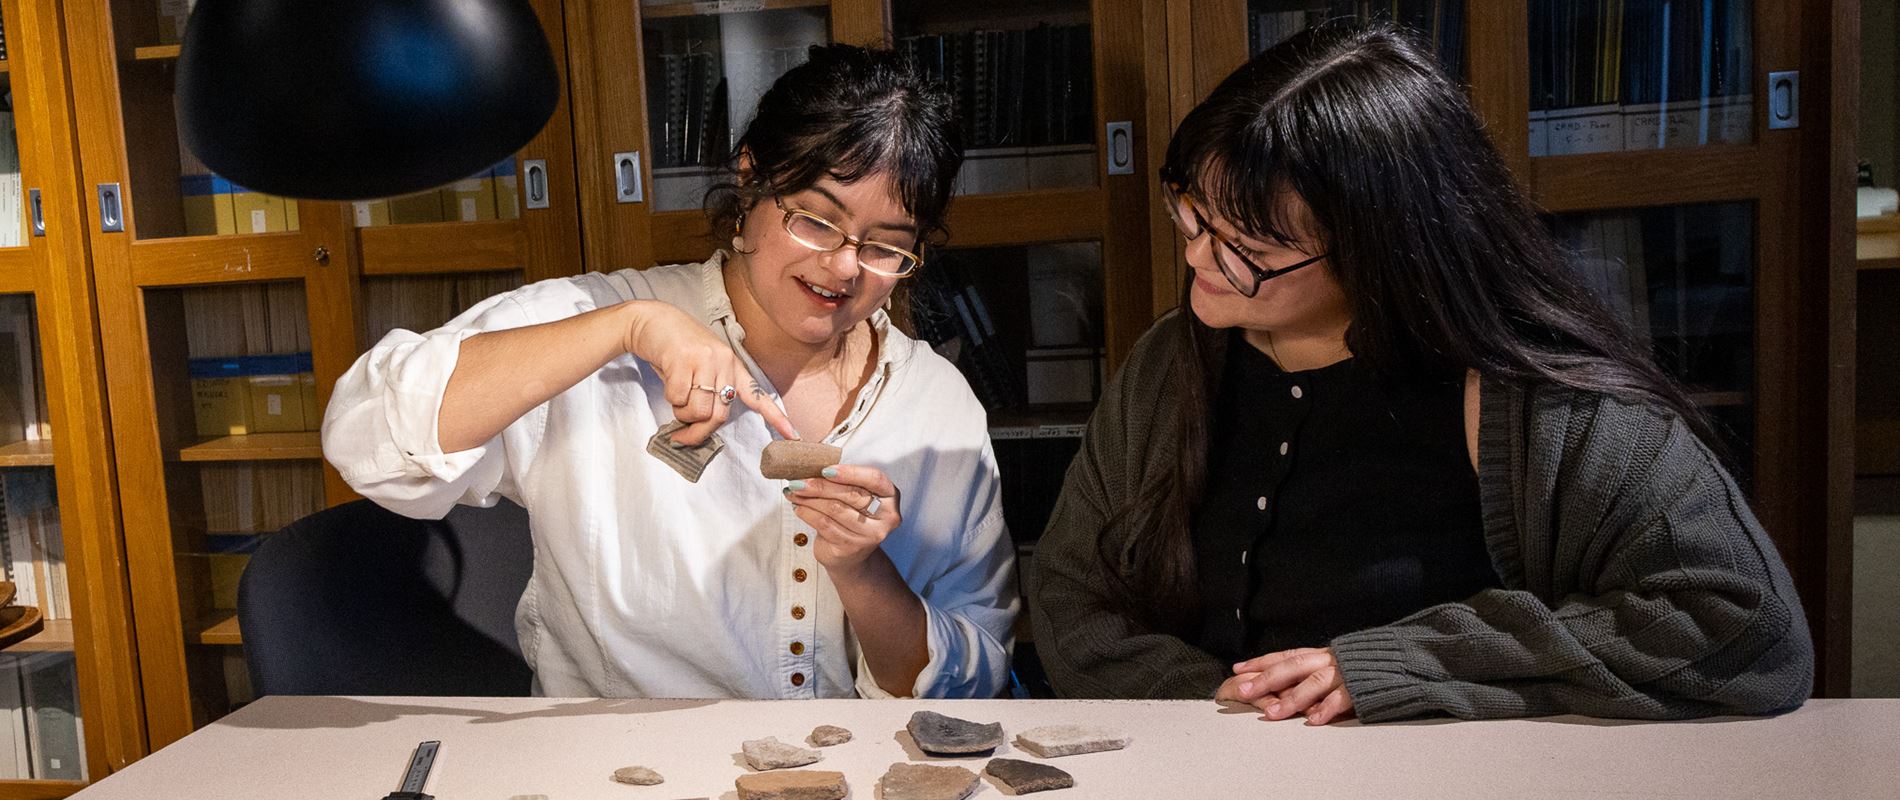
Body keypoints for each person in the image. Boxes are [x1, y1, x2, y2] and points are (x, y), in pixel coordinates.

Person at [1030, 22, 1813, 724]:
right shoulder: (1172, 362)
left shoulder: (1537, 399)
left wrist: (1398, 667)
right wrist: (1217, 709)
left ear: (1381, 250)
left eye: (1251, 253)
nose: (1200, 257)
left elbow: (1746, 628)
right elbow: (1072, 596)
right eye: (1193, 214)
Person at [323, 44, 1016, 700]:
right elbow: (369, 441)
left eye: (885, 246)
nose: (841, 266)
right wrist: (625, 328)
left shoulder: (934, 405)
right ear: (751, 179)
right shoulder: (604, 317)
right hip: (620, 773)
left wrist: (863, 574)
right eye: (815, 220)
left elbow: (976, 683)